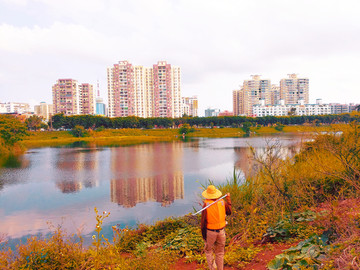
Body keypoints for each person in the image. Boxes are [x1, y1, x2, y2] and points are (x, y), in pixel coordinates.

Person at [201, 185, 232, 270]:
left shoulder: (206, 204)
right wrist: (228, 199)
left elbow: (203, 222)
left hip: (210, 232)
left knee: (208, 251)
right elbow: (229, 212)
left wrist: (204, 236)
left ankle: (212, 269)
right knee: (220, 253)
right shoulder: (222, 202)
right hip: (221, 232)